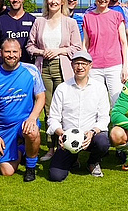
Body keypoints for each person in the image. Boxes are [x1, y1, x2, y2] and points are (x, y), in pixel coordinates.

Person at [26, 0, 82, 161]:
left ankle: (66, 145)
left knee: (65, 108)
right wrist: (42, 52)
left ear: (63, 2)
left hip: (62, 68)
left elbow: (77, 47)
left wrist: (59, 51)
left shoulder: (70, 22)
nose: (53, 2)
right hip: (43, 68)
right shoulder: (39, 22)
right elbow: (29, 46)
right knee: (48, 109)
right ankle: (51, 148)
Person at [0, 39, 45, 181]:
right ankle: (22, 148)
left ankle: (30, 167)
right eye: (7, 51)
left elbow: (41, 97)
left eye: (15, 51)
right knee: (7, 171)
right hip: (5, 127)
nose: (11, 55)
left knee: (32, 131)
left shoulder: (31, 70)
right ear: (0, 53)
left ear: (20, 53)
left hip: (25, 122)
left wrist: (32, 118)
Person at [45, 51, 111, 181]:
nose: (80, 67)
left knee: (103, 142)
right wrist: (61, 133)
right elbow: (53, 118)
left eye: (83, 64)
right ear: (72, 65)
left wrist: (92, 132)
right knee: (56, 176)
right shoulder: (62, 88)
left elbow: (104, 118)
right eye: (77, 63)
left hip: (91, 136)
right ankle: (73, 158)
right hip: (68, 139)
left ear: (90, 66)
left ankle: (93, 162)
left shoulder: (99, 88)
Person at [84, 0, 128, 106]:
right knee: (96, 101)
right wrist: (85, 65)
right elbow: (85, 44)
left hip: (114, 65)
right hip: (94, 66)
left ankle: (117, 119)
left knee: (117, 100)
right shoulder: (88, 17)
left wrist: (125, 67)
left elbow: (124, 43)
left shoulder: (117, 16)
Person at [0, 0, 36, 70]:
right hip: (5, 69)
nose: (15, 0)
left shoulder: (32, 20)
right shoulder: (0, 21)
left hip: (26, 69)